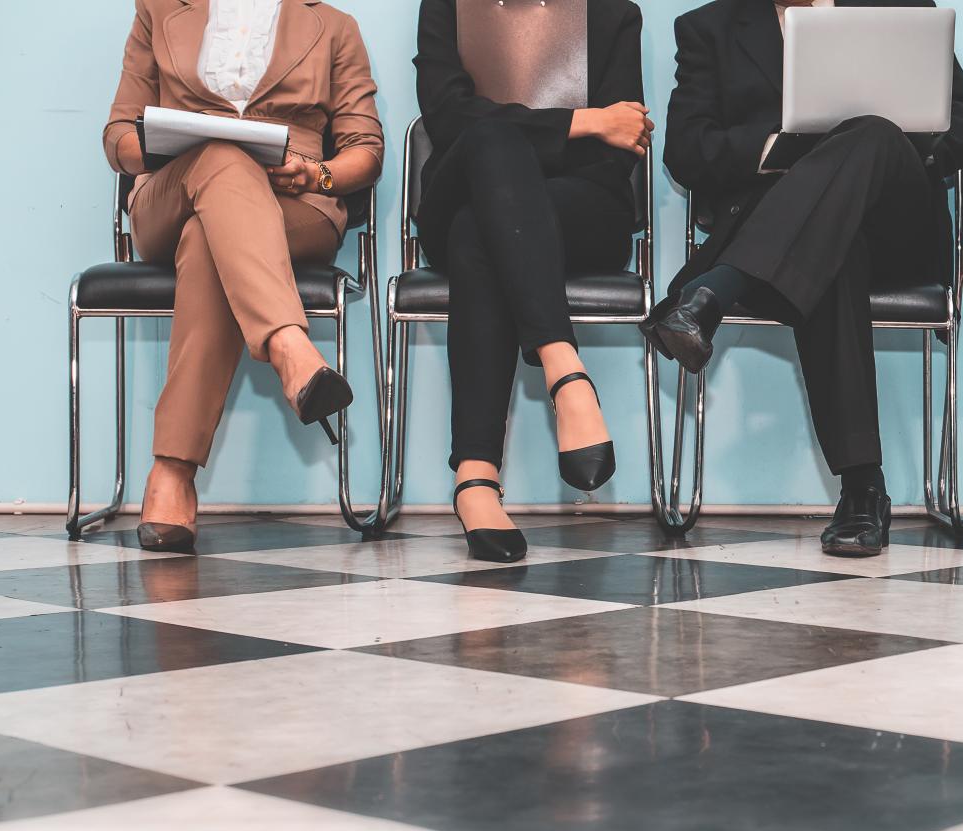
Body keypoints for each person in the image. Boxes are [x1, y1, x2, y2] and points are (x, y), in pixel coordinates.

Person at [642, 0, 963, 558]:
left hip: (897, 221)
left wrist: (886, 147)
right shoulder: (709, 27)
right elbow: (686, 149)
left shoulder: (896, 11)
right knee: (834, 245)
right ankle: (862, 489)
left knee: (871, 133)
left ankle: (714, 292)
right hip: (796, 236)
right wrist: (786, 149)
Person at [103, 0, 384, 553]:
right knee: (222, 154)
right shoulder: (159, 10)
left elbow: (365, 151)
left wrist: (318, 171)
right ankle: (287, 344)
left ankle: (172, 470)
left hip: (293, 200)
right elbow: (119, 135)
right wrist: (171, 142)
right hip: (174, 187)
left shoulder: (335, 26)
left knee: (210, 240)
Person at [415, 0, 650, 563]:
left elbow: (624, 142)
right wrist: (586, 120)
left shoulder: (614, 12)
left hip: (581, 206)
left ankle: (475, 477)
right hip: (462, 186)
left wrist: (566, 134)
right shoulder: (447, 4)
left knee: (484, 229)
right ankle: (566, 372)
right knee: (491, 145)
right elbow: (448, 117)